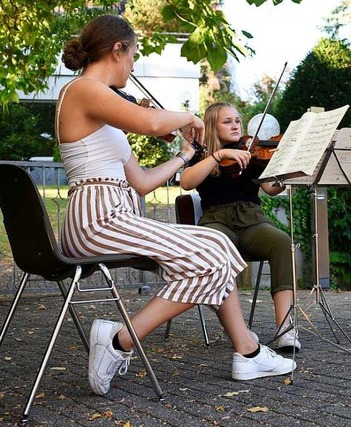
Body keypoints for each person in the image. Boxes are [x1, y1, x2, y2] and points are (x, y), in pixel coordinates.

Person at [56, 14, 295, 396]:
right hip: (97, 219)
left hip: (115, 214)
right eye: (133, 55)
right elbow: (150, 123)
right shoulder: (83, 89)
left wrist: (185, 156)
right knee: (213, 248)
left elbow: (143, 182)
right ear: (117, 50)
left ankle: (248, 353)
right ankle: (120, 341)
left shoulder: (102, 112)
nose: (133, 65)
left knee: (215, 247)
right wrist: (192, 117)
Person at [179, 102, 301, 352]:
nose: (235, 125)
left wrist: (287, 175)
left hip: (251, 219)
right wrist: (218, 156)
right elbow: (186, 182)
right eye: (227, 121)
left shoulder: (251, 151)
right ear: (212, 126)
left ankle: (285, 328)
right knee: (220, 248)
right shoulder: (200, 154)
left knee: (281, 243)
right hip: (216, 221)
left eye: (237, 120)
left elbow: (270, 188)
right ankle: (239, 330)